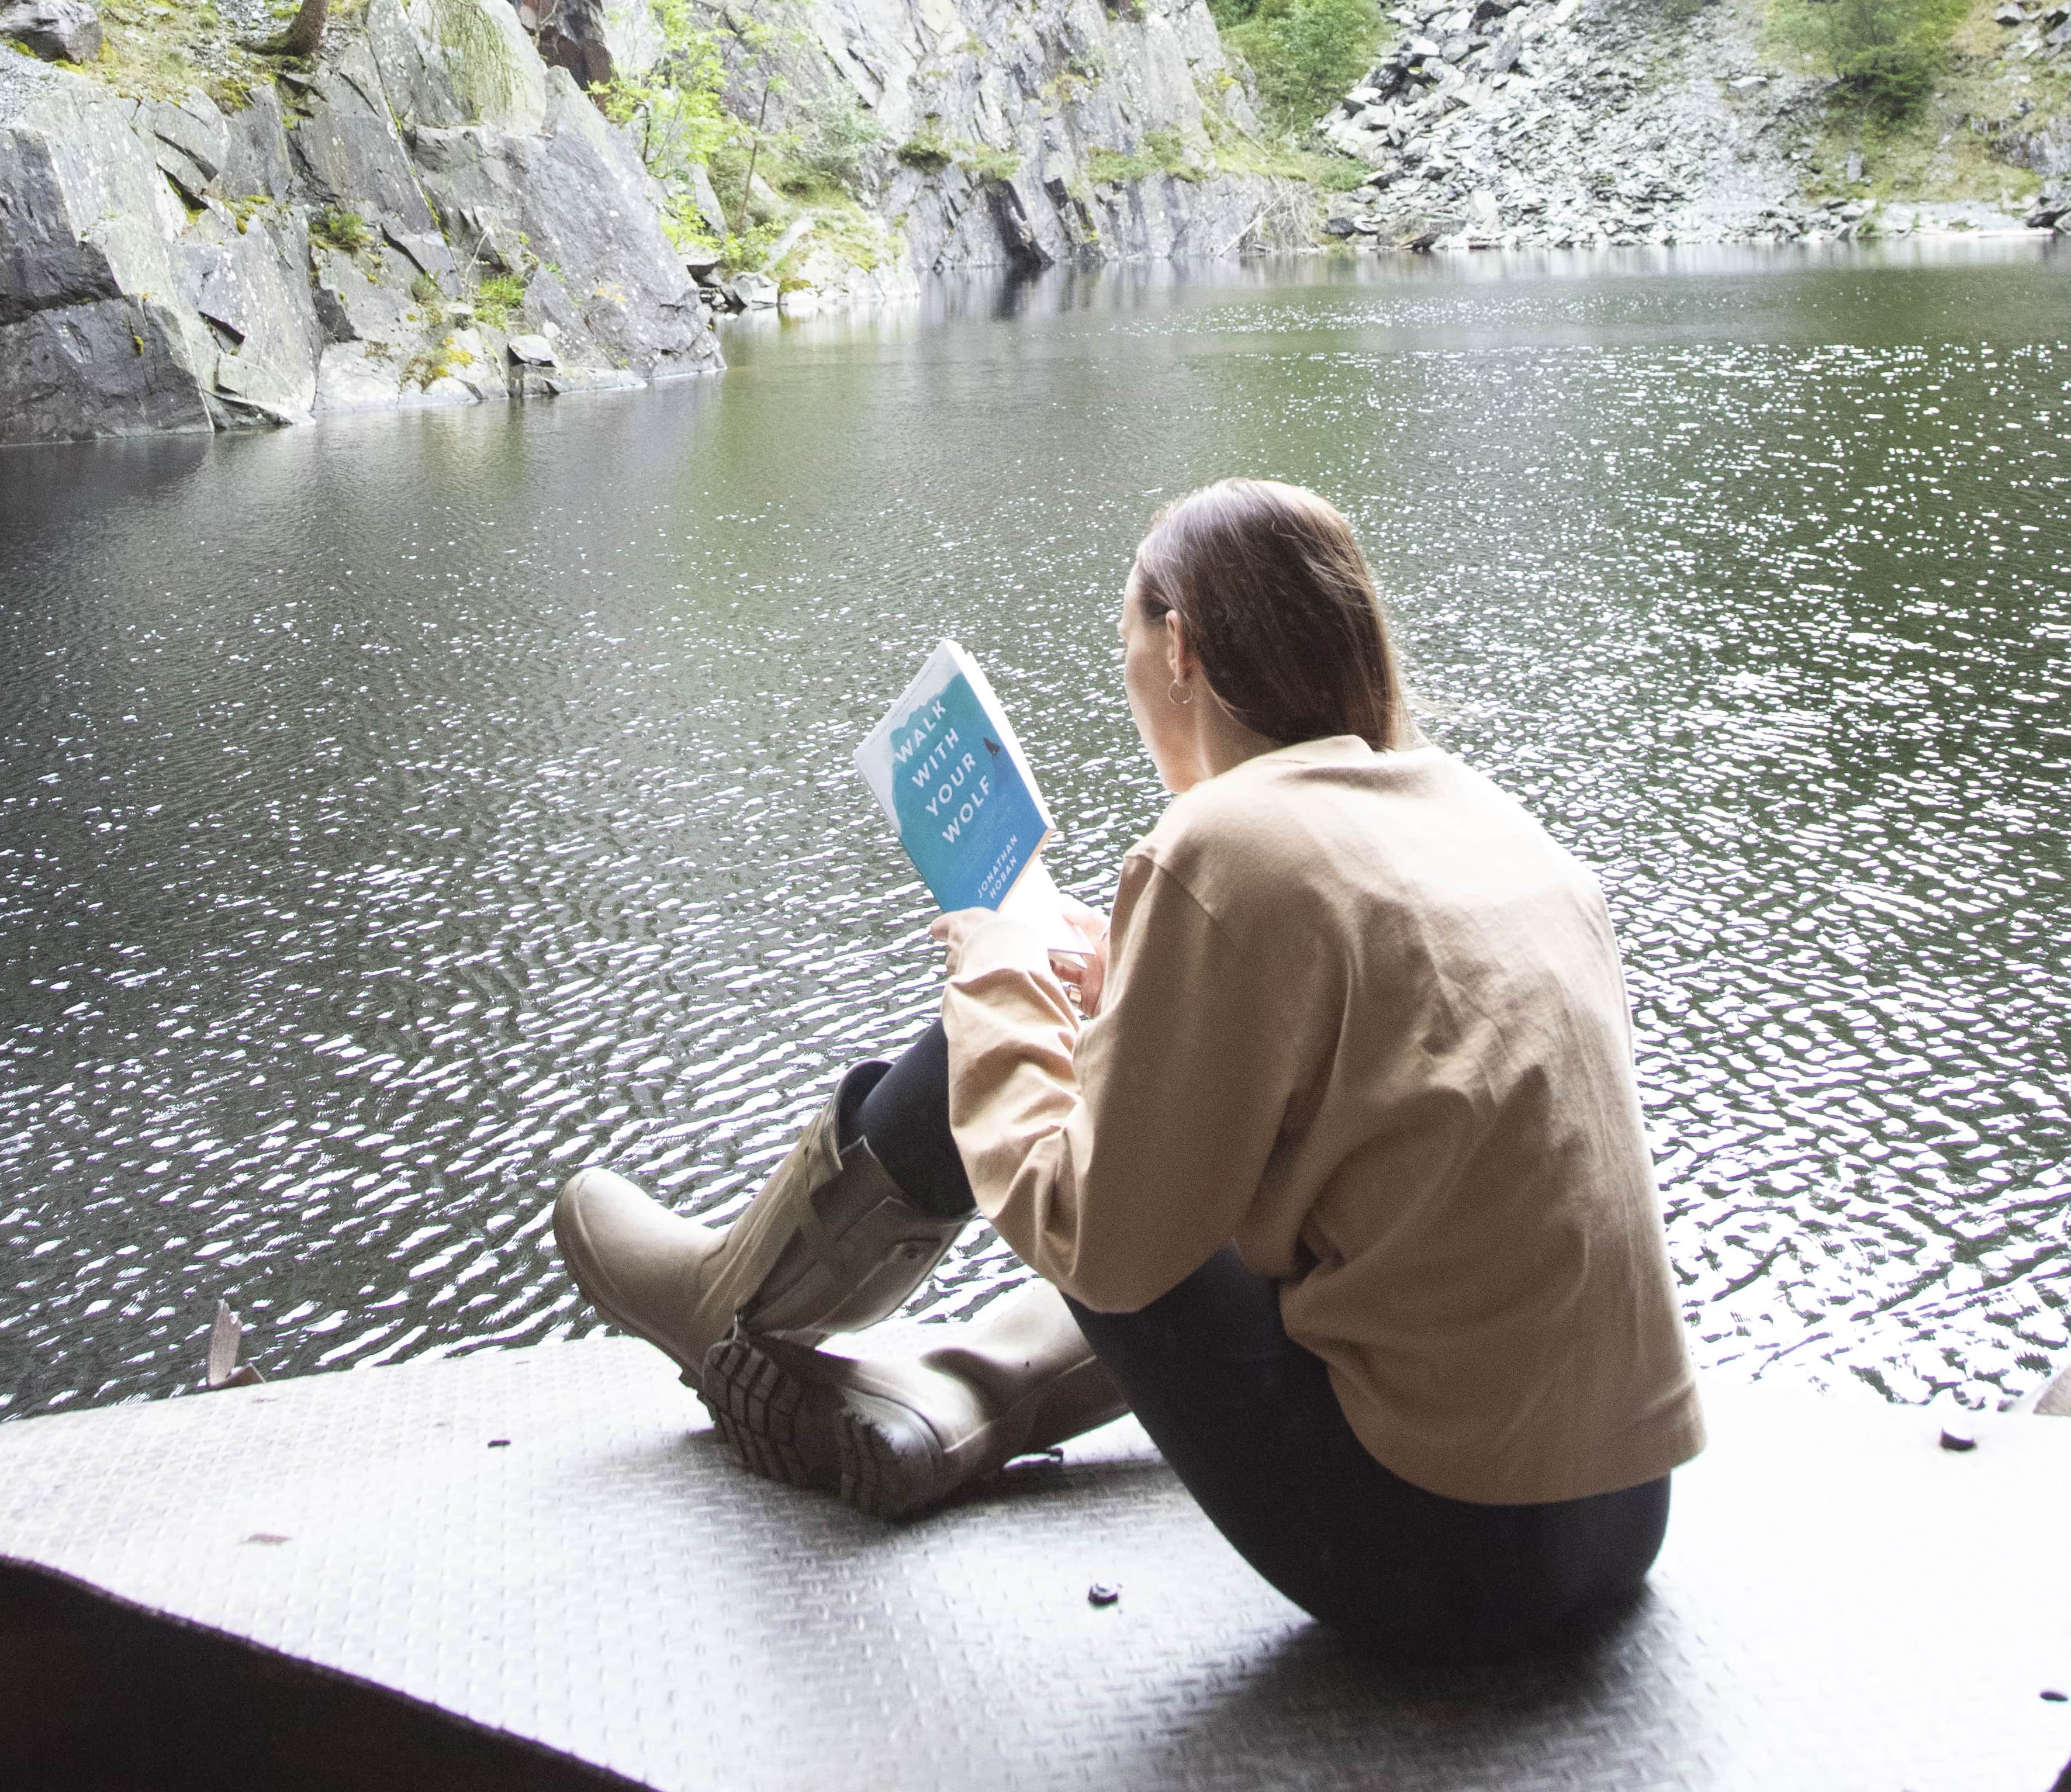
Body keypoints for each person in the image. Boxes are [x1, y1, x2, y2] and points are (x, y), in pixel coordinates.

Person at [550, 478, 1704, 1660]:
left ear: (1179, 649)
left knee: (1010, 1064)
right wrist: (1131, 997)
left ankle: (728, 1304)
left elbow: (1100, 1243)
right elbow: (1388, 1109)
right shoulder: (1484, 817)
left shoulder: (1227, 842)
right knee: (1135, 1100)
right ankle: (956, 1398)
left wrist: (998, 965)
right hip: (1616, 1517)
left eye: (1126, 658)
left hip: (1424, 1550)